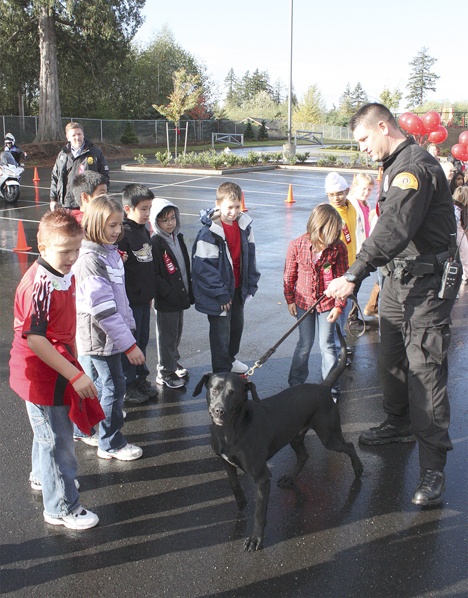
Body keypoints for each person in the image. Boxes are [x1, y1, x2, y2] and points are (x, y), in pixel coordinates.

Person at [326, 103, 459, 507]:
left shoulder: (412, 168)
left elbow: (395, 227)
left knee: (426, 374)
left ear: (383, 127)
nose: (363, 148)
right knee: (391, 361)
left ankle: (432, 468)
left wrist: (353, 274)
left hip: (425, 288)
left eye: (364, 139)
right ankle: (398, 423)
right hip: (398, 283)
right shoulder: (395, 162)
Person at [9, 209, 103, 530]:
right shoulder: (40, 285)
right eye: (65, 251)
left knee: (46, 434)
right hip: (41, 377)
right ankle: (61, 505)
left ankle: (44, 478)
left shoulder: (61, 272)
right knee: (58, 442)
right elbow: (36, 339)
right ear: (42, 246)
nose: (73, 257)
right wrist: (76, 374)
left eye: (77, 249)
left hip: (53, 370)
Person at [74, 195, 144, 461]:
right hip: (101, 338)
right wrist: (129, 345)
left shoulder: (109, 252)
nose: (117, 231)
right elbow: (103, 310)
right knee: (114, 387)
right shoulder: (92, 259)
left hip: (108, 336)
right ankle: (110, 443)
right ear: (94, 224)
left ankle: (85, 429)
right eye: (111, 226)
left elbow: (117, 297)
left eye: (119, 225)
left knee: (102, 388)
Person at [191, 182, 260, 374]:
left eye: (237, 206)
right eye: (229, 207)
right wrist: (220, 294)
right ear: (218, 204)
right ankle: (221, 371)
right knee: (220, 332)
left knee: (236, 327)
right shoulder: (209, 232)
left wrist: (251, 284)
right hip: (219, 293)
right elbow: (203, 268)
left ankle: (230, 359)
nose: (234, 211)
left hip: (238, 288)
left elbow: (250, 257)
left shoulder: (245, 226)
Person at [284, 203, 348, 400]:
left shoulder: (338, 248)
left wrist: (339, 306)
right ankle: (295, 384)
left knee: (327, 346)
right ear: (316, 228)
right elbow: (289, 275)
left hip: (327, 304)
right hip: (303, 302)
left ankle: (330, 388)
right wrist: (289, 299)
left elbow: (343, 279)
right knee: (305, 343)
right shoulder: (297, 245)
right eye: (329, 234)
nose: (332, 240)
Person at [117, 184, 158, 403]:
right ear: (128, 208)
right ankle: (128, 383)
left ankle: (141, 378)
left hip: (143, 300)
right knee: (130, 343)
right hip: (129, 303)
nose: (147, 214)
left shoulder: (144, 230)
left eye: (149, 209)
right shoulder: (122, 234)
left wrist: (150, 294)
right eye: (143, 209)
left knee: (142, 340)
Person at [150, 198, 194, 388]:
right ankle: (164, 371)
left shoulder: (178, 237)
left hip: (180, 296)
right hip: (167, 299)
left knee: (176, 334)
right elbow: (155, 275)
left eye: (173, 218)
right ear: (155, 222)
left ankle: (172, 362)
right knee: (166, 336)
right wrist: (168, 292)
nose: (170, 223)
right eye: (165, 220)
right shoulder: (155, 243)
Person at [50, 122, 109, 211]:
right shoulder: (63, 155)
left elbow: (104, 176)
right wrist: (53, 199)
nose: (77, 138)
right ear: (68, 137)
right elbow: (55, 177)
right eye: (73, 135)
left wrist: (101, 196)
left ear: (83, 135)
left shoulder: (95, 153)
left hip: (88, 203)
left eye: (79, 134)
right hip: (68, 203)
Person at [453, 186, 468, 283]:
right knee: (464, 253)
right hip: (459, 232)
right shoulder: (459, 209)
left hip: (455, 232)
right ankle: (465, 275)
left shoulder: (453, 207)